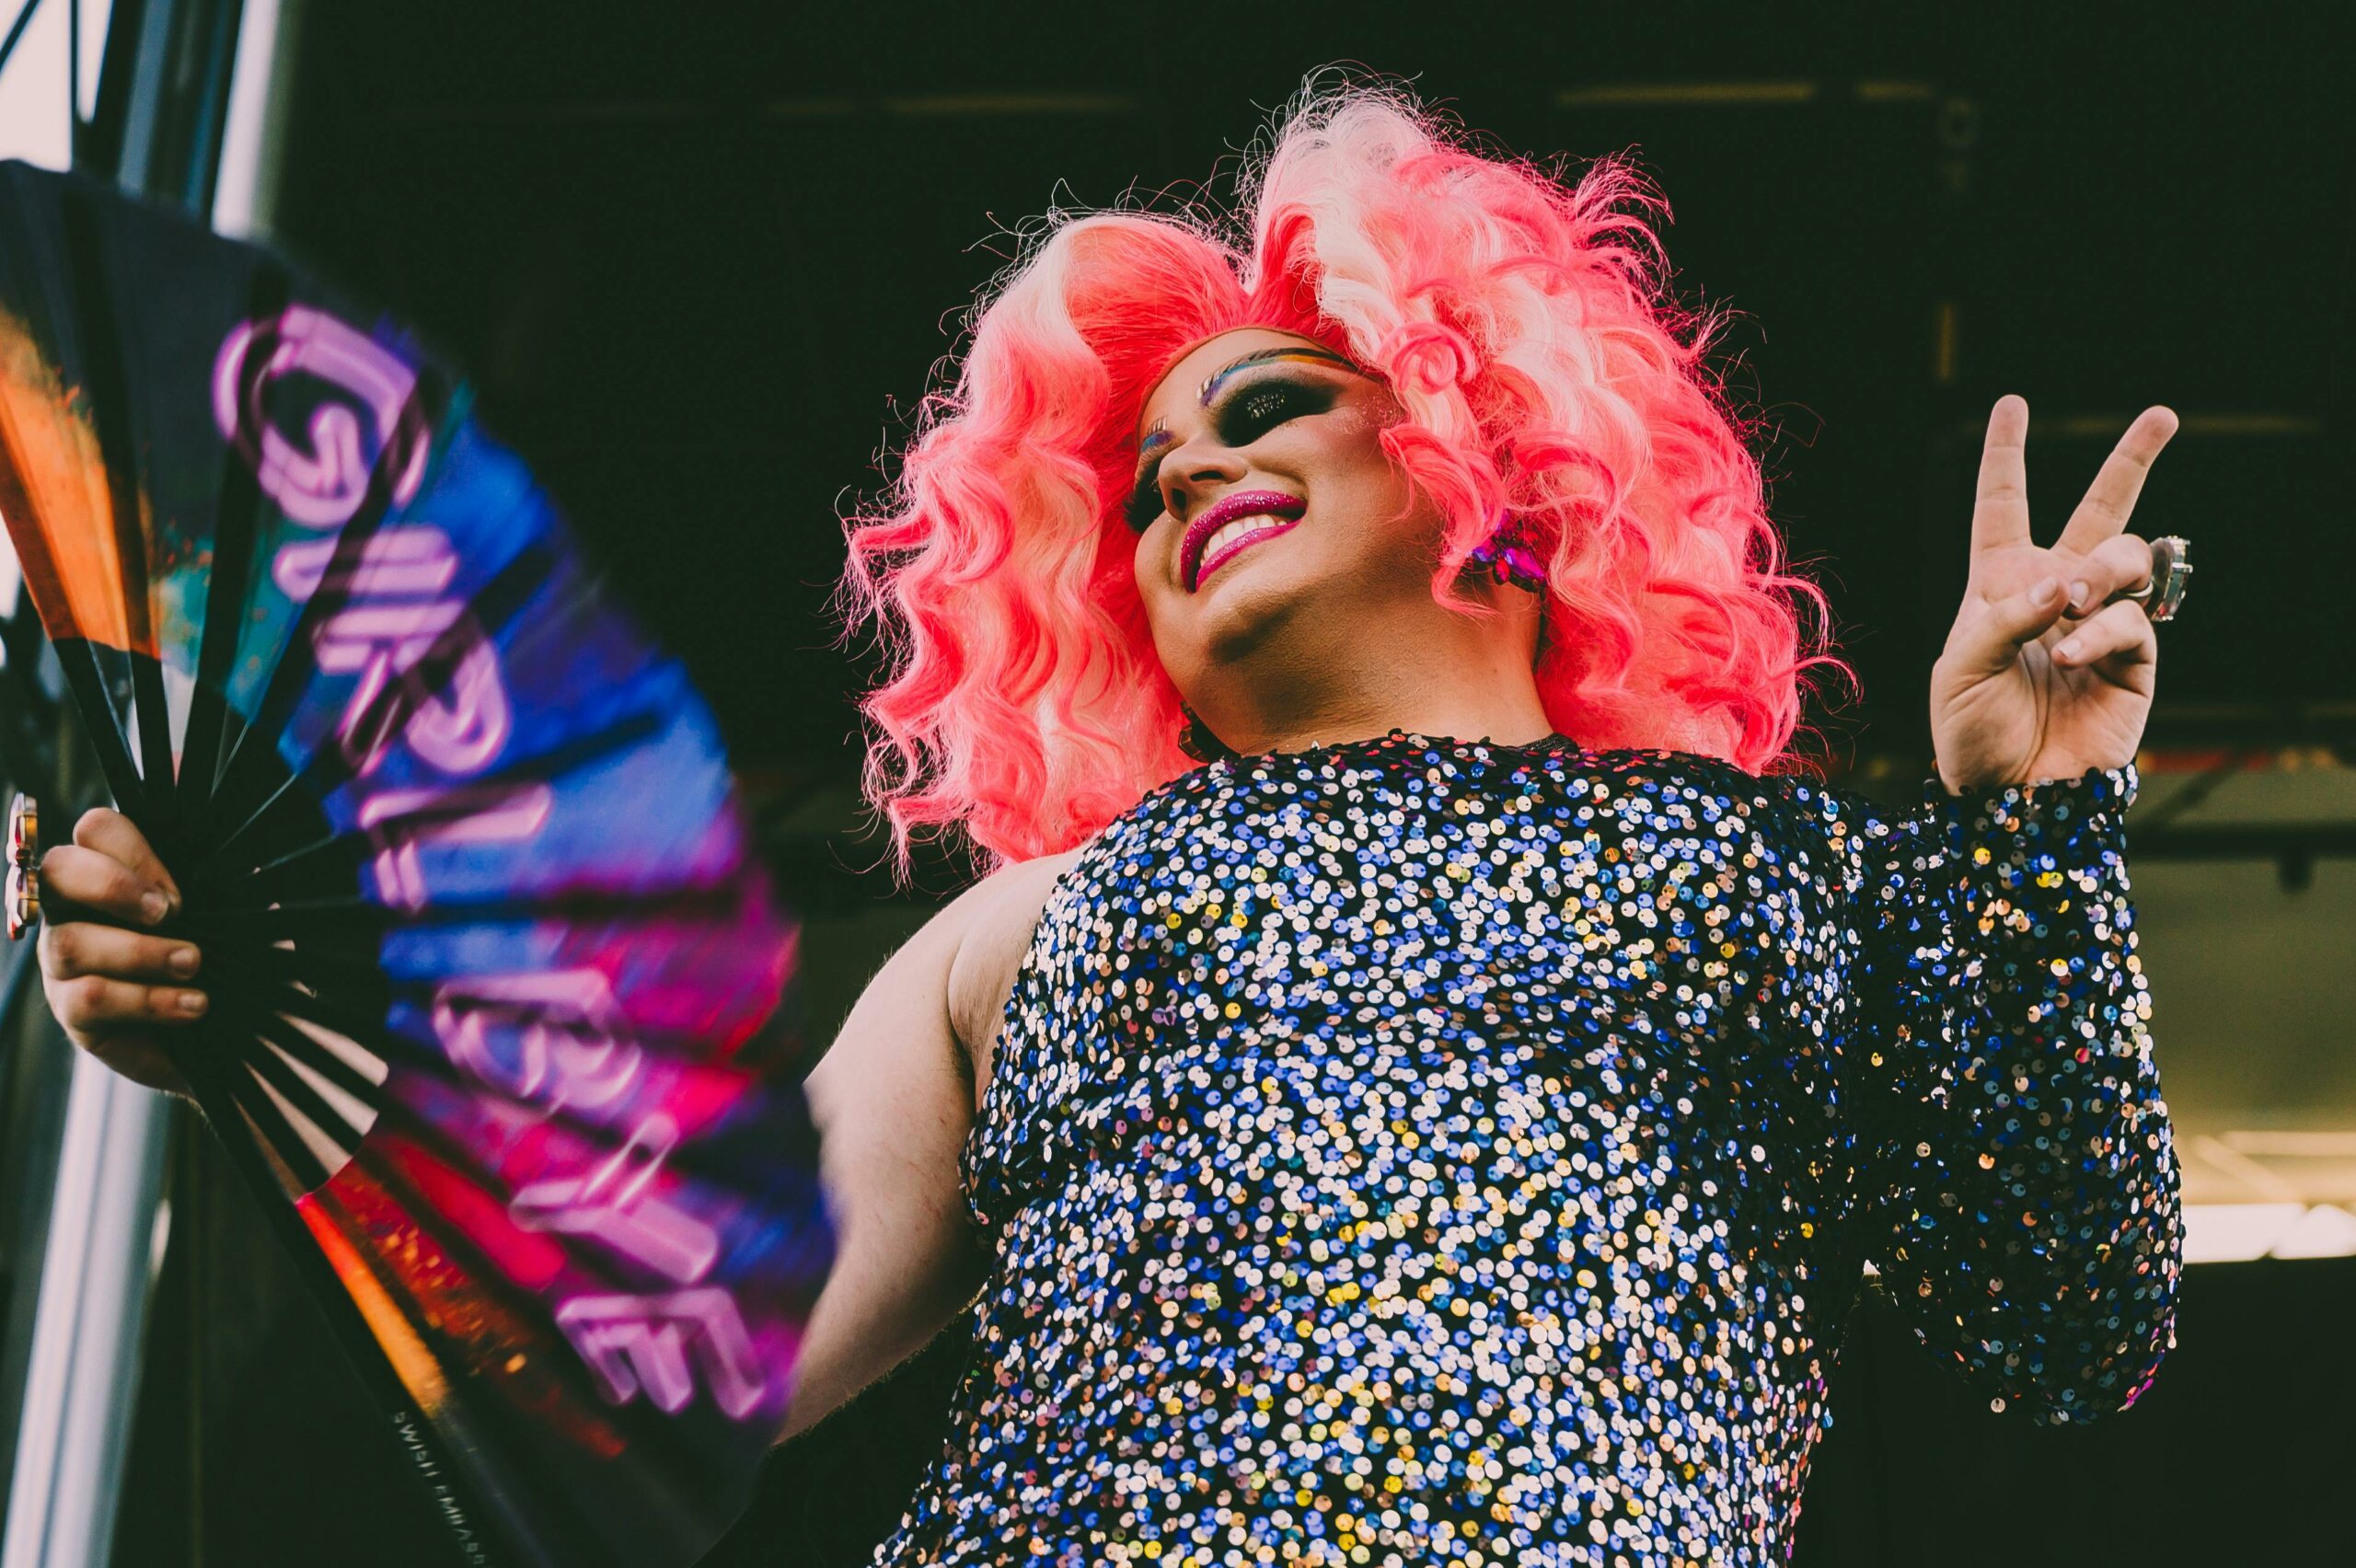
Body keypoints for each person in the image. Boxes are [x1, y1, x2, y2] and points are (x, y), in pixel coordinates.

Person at [39, 83, 2182, 1566]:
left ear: (1493, 472)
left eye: (1266, 406)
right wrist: (292, 1038)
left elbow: (2067, 1321)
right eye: (1138, 474)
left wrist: (2034, 831)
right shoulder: (1037, 922)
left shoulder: (1782, 883)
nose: (1184, 473)